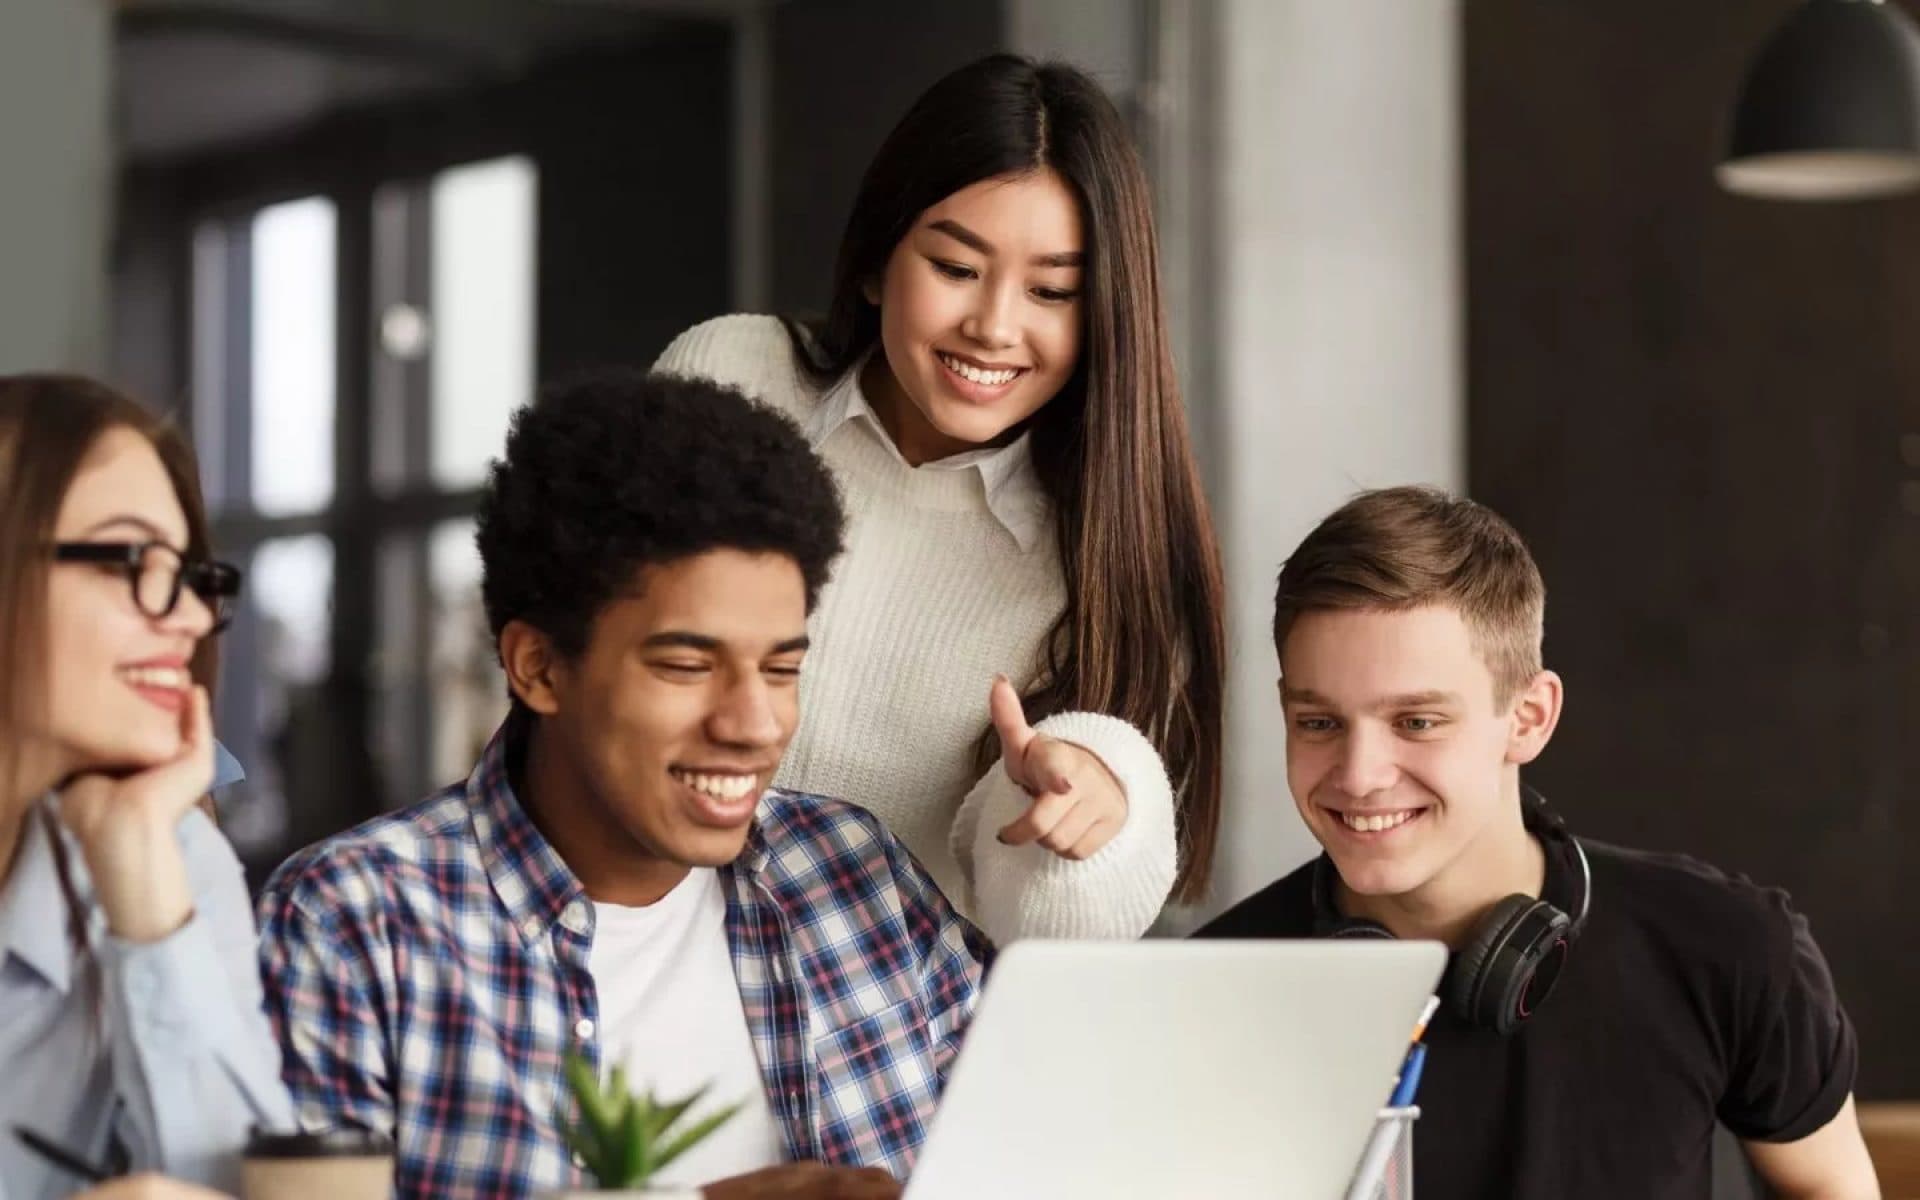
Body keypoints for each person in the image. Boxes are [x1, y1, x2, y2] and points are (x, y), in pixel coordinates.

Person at [257, 373, 990, 1200]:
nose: (753, 723)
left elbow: (1047, 1139)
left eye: (781, 668)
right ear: (538, 667)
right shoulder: (358, 922)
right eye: (686, 666)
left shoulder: (853, 872)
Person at [653, 53, 1227, 943]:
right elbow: (577, 676)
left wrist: (1089, 828)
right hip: (620, 977)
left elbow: (1054, 936)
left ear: (1104, 313)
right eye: (957, 268)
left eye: (1051, 291)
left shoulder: (1108, 554)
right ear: (879, 262)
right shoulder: (731, 379)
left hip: (877, 1051)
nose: (995, 326)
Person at [1196, 486, 1880, 1199]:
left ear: (1528, 717)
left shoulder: (1729, 950)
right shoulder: (1207, 998)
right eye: (1319, 724)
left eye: (1417, 722)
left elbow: (1832, 1186)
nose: (1360, 776)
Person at [0, 374, 292, 1200]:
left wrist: (139, 866)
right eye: (134, 560)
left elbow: (249, 1186)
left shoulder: (169, 852)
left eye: (191, 576)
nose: (193, 619)